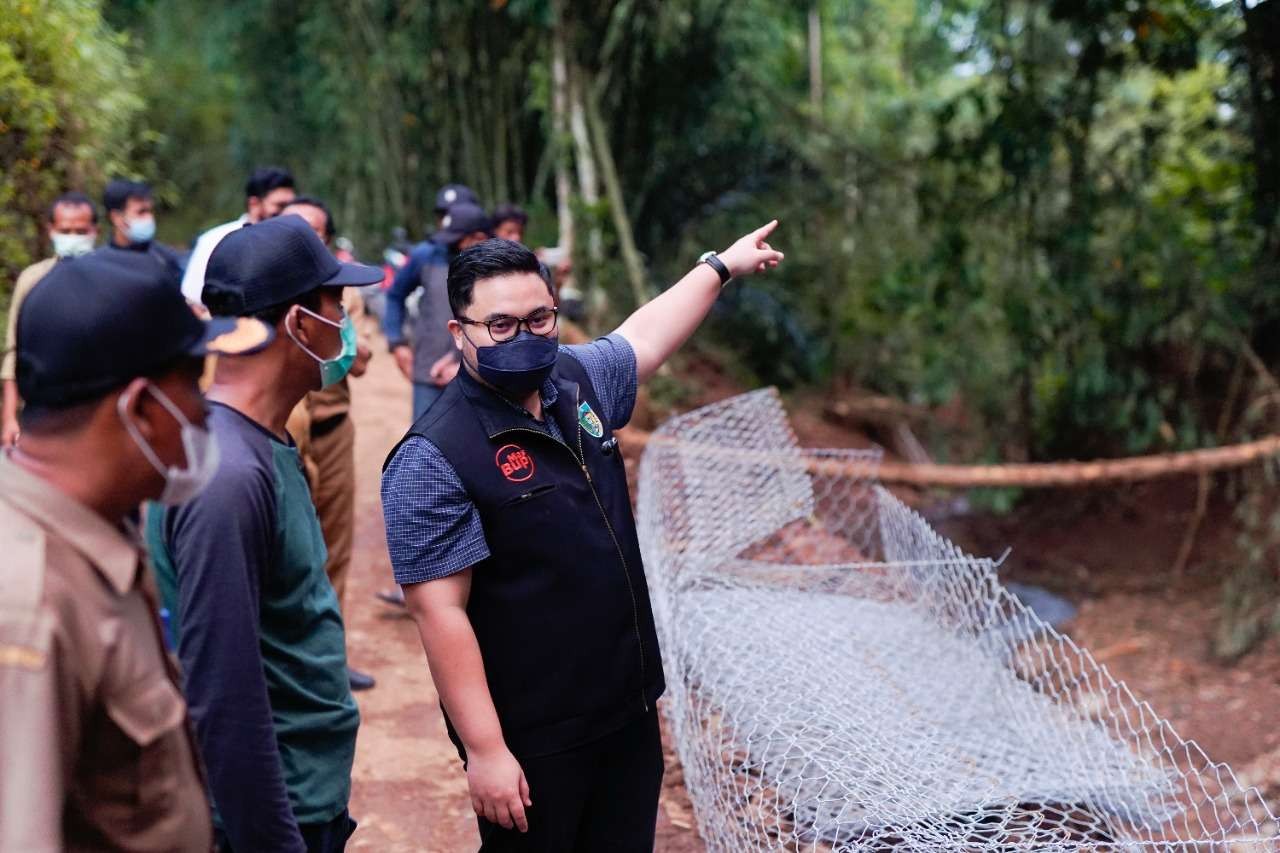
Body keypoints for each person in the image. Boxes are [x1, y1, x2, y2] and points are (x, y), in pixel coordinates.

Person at [381, 225, 783, 851]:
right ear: (460, 334)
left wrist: (720, 267)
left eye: (539, 317)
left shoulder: (576, 380)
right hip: (534, 735)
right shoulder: (433, 456)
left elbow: (643, 337)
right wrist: (485, 750)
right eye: (502, 325)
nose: (526, 335)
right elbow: (439, 612)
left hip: (626, 706)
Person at [0, 250, 274, 850]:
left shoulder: (95, 532)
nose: (205, 412)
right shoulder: (29, 604)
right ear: (143, 409)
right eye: (194, 386)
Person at [146, 215, 382, 852]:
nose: (346, 325)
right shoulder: (227, 475)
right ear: (301, 325)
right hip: (266, 819)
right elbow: (221, 691)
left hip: (303, 798)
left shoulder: (257, 444)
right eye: (337, 305)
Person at [280, 196, 377, 691]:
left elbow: (359, 361)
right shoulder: (265, 288)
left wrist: (337, 322)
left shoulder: (343, 291)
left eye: (313, 231)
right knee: (285, 548)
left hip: (333, 427)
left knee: (333, 545)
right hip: (284, 434)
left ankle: (328, 662)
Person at [2, 191, 98, 447]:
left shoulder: (108, 281)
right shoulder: (33, 280)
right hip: (42, 412)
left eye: (80, 232)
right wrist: (9, 417)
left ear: (94, 231)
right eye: (66, 231)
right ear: (51, 230)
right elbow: (14, 351)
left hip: (95, 412)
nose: (73, 239)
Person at [383, 201, 492, 421]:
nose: (449, 246)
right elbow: (395, 295)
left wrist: (465, 365)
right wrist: (396, 342)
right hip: (428, 372)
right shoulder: (426, 255)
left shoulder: (497, 265)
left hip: (481, 377)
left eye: (456, 240)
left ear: (479, 237)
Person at [180, 165, 297, 304]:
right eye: (280, 205)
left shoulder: (294, 244)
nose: (288, 212)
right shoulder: (214, 241)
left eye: (291, 205)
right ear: (254, 204)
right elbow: (192, 300)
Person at [101, 179, 185, 286]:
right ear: (116, 217)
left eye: (150, 211)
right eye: (141, 212)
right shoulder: (99, 264)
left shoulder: (165, 259)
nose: (149, 218)